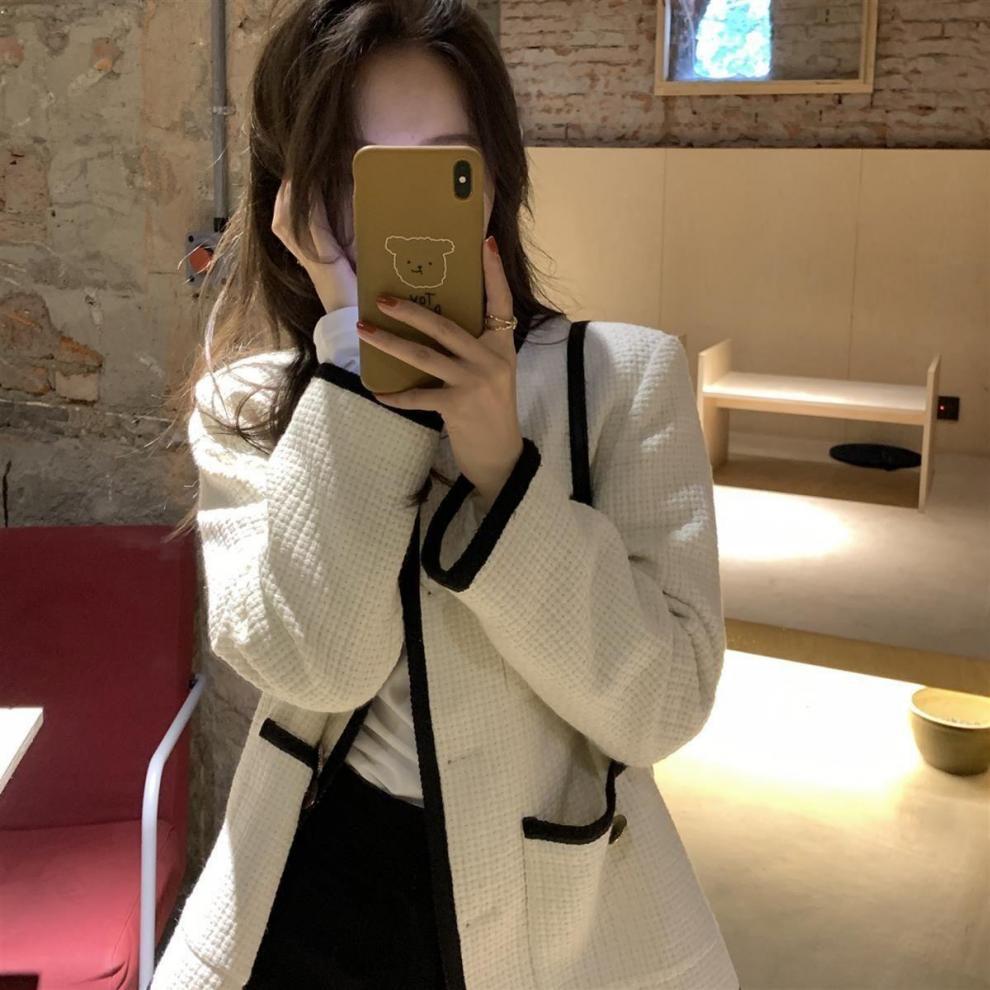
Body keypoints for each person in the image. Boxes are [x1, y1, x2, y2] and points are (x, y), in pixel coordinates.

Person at [154, 2, 741, 989]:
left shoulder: (621, 380)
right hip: (311, 885)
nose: (400, 215)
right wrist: (354, 370)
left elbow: (662, 709)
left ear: (494, 180)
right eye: (358, 176)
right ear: (293, 201)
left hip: (551, 915)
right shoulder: (248, 407)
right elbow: (318, 668)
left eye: (442, 170)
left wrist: (503, 469)